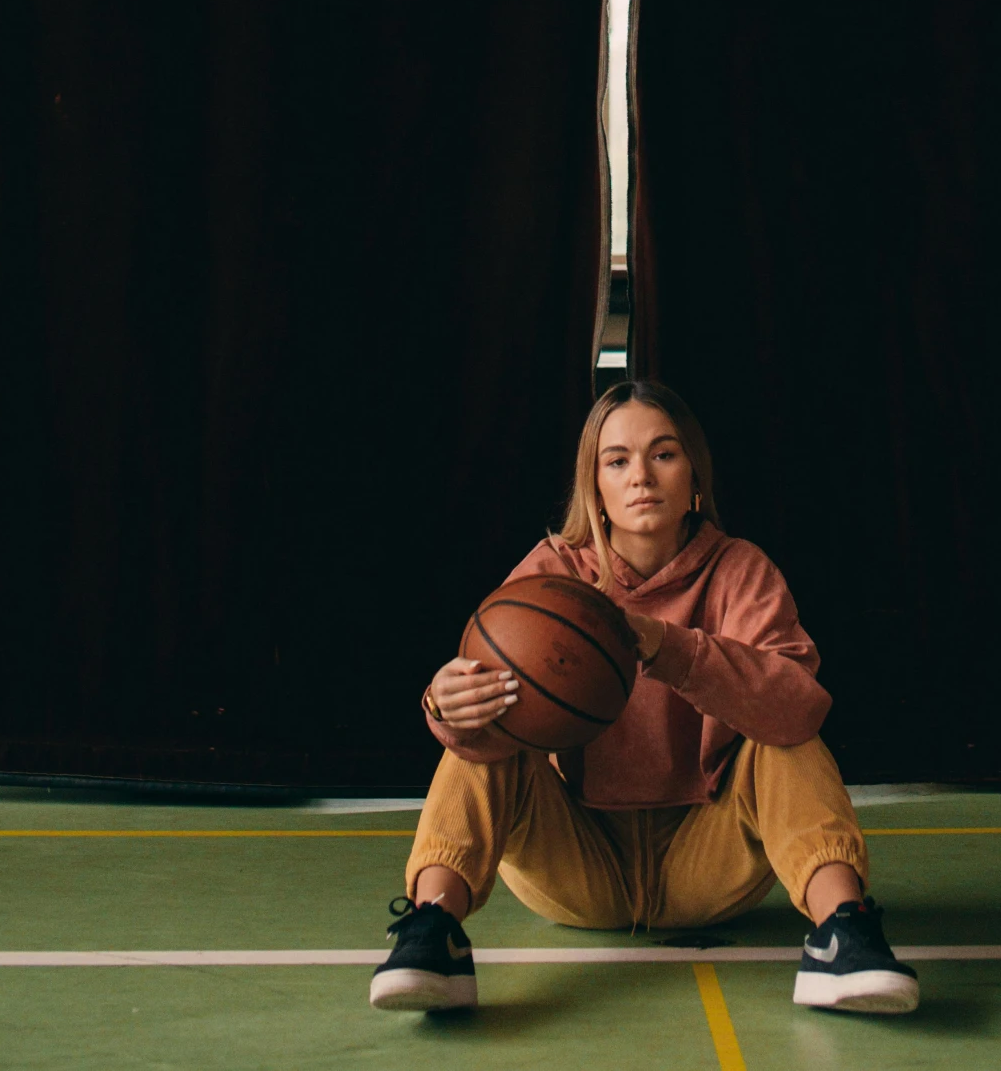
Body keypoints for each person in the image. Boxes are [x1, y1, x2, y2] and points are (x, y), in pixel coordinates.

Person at [370, 378, 919, 1018]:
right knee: (491, 747)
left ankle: (845, 936)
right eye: (618, 460)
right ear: (593, 486)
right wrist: (447, 706)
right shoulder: (552, 575)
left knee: (784, 738)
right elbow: (483, 724)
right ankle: (432, 934)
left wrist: (665, 646)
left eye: (663, 454)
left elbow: (801, 706)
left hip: (706, 861)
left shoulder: (739, 569)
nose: (641, 477)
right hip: (576, 859)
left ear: (695, 477)